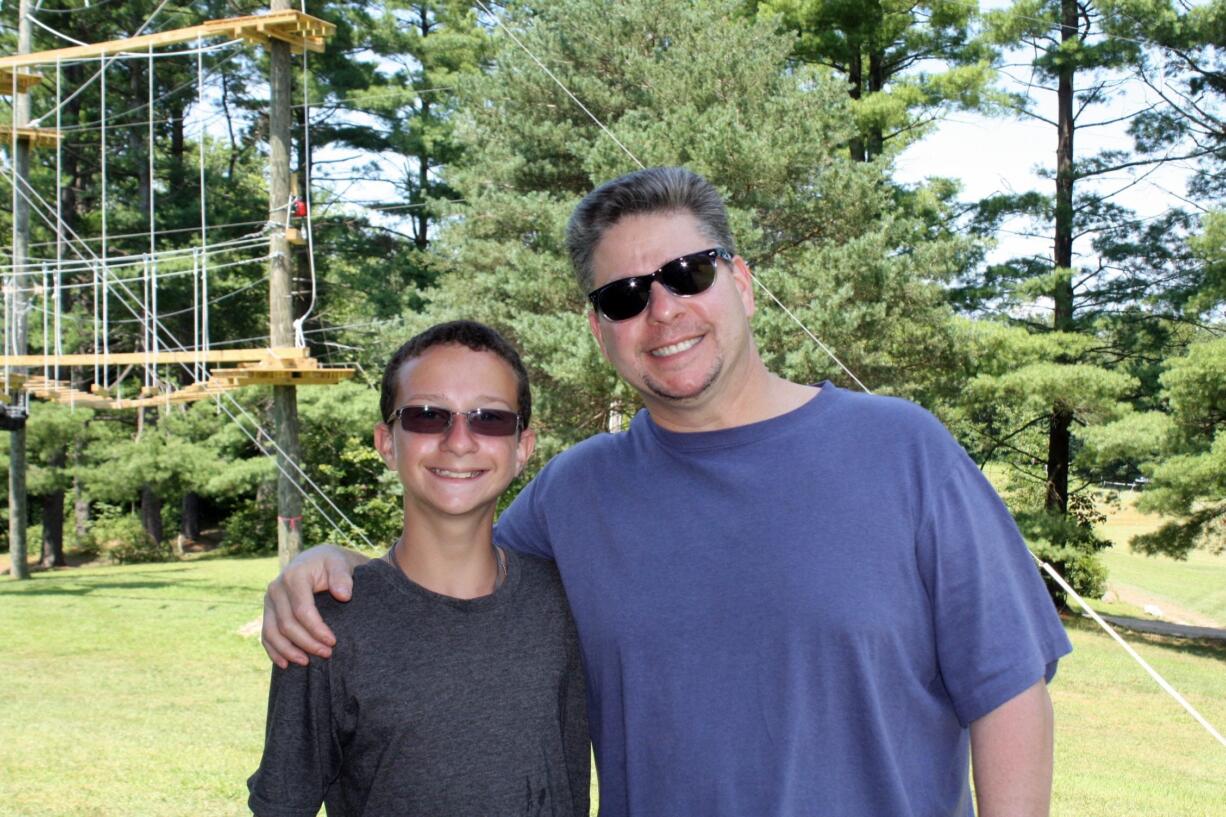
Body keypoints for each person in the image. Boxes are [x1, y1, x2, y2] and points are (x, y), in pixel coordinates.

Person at [262, 168, 1073, 817]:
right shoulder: (573, 495)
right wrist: (335, 572)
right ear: (599, 331)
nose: (662, 310)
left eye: (688, 273)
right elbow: (451, 579)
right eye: (624, 295)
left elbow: (1006, 690)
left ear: (743, 283)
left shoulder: (903, 449)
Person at [248, 320, 589, 817]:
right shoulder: (324, 625)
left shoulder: (563, 603)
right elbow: (282, 805)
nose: (458, 440)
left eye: (489, 419)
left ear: (522, 448)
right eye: (428, 416)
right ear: (387, 442)